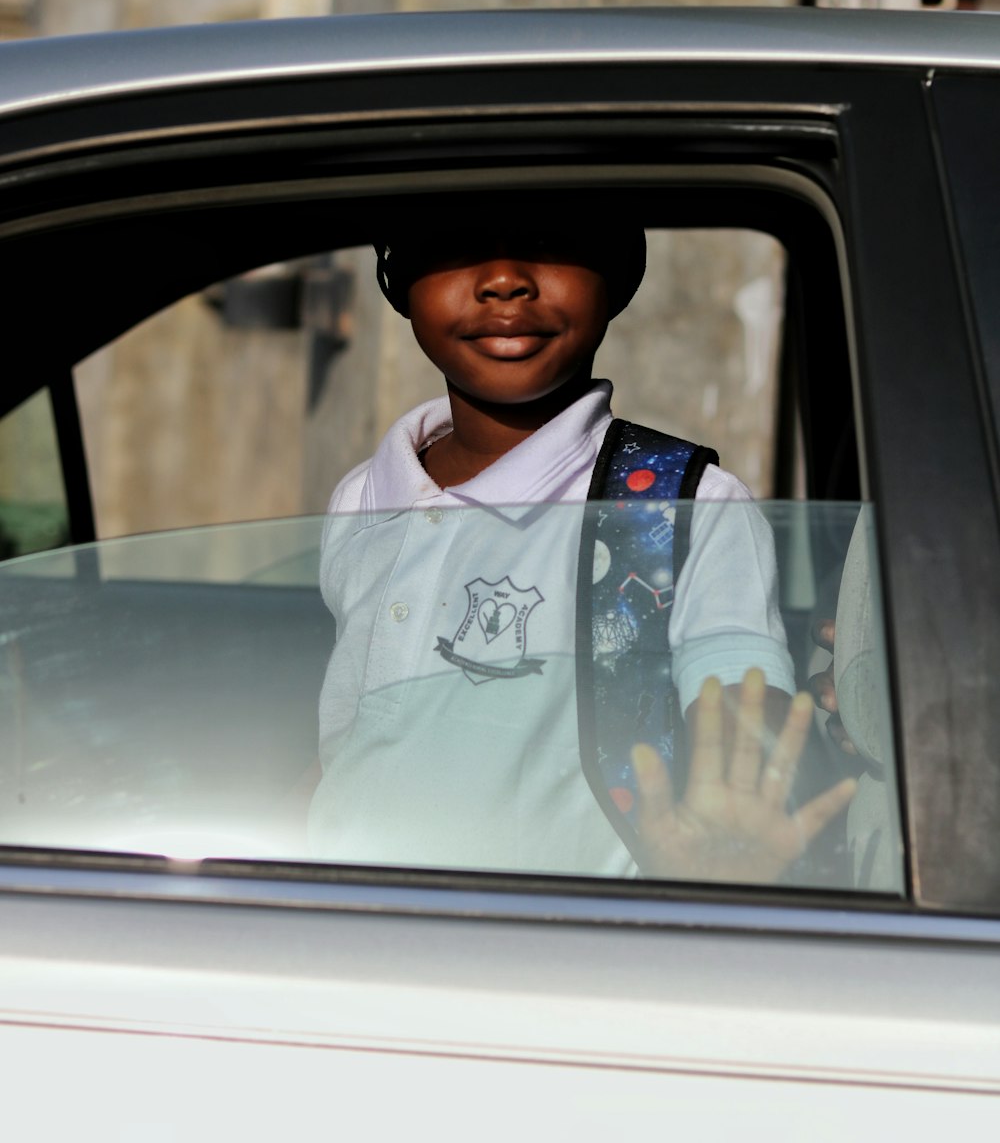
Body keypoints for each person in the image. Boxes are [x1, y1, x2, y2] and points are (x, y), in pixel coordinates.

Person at [309, 218, 854, 879]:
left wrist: (738, 831)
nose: (505, 281)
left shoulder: (683, 508)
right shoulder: (364, 495)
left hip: (560, 956)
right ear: (396, 278)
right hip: (346, 937)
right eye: (455, 244)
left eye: (555, 239)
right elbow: (349, 748)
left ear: (620, 274)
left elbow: (744, 724)